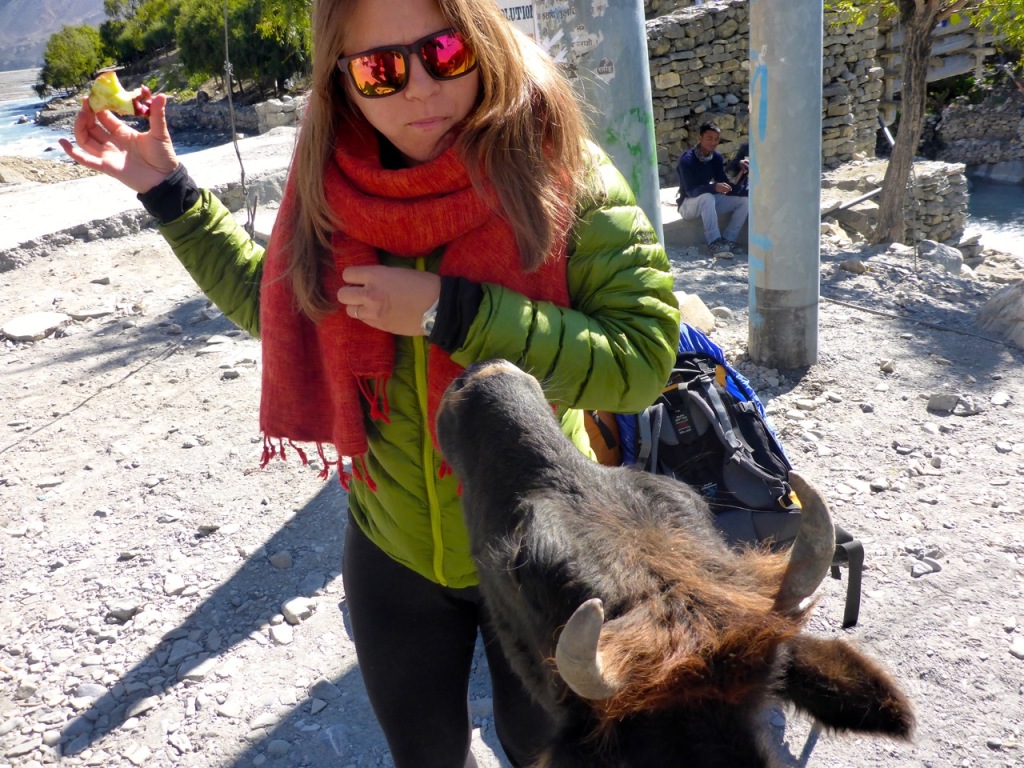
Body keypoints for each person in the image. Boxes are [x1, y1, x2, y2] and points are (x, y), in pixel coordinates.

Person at [59, 1, 680, 766]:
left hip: (546, 545)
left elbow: (643, 359)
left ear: (481, 43)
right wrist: (168, 192)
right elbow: (288, 312)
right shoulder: (331, 184)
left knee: (542, 749)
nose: (418, 88)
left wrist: (455, 313)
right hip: (395, 550)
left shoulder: (559, 169)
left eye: (444, 52)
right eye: (380, 70)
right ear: (342, 84)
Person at [675, 122, 748, 257]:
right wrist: (714, 187)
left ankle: (728, 240)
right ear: (700, 138)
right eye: (709, 138)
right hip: (687, 205)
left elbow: (724, 183)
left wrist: (747, 192)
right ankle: (715, 243)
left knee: (745, 201)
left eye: (716, 139)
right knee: (707, 197)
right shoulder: (687, 159)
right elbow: (691, 190)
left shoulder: (716, 157)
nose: (713, 142)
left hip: (707, 201)